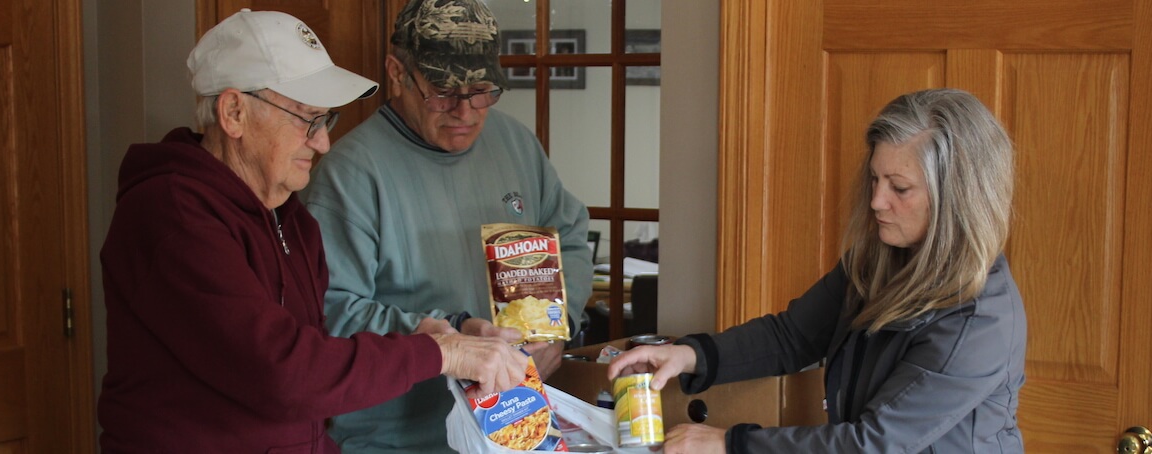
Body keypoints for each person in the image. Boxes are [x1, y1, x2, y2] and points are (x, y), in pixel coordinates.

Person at [96, 9, 531, 453]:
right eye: (306, 118)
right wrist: (442, 353)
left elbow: (321, 350)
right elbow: (282, 373)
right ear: (233, 112)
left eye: (325, 121)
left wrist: (443, 330)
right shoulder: (173, 215)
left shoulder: (289, 215)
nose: (322, 142)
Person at [610, 88, 1026, 453]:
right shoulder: (876, 261)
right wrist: (687, 355)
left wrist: (729, 443)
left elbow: (874, 443)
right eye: (875, 179)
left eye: (899, 188)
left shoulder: (980, 320)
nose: (877, 201)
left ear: (957, 198)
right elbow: (791, 337)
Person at [299, 0, 594, 451]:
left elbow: (569, 238)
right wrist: (451, 336)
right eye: (442, 91)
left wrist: (559, 325)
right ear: (396, 73)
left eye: (482, 91)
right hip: (398, 437)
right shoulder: (349, 174)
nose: (466, 111)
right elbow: (332, 312)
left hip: (515, 425)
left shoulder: (516, 143)